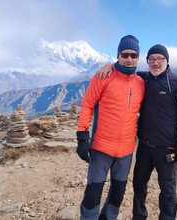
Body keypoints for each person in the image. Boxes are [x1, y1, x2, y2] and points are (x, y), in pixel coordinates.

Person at [96, 44, 177, 219]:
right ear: (147, 61)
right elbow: (125, 67)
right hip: (144, 146)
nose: (155, 63)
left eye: (160, 59)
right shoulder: (143, 79)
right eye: (151, 59)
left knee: (167, 190)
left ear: (167, 60)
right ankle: (139, 217)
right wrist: (110, 66)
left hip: (168, 148)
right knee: (138, 185)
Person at [76, 35, 145, 220]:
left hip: (126, 151)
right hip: (101, 148)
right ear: (118, 55)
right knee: (93, 194)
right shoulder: (103, 76)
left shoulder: (141, 83)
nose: (129, 59)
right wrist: (82, 136)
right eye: (125, 54)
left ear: (138, 57)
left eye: (133, 55)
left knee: (117, 195)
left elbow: (157, 78)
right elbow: (87, 104)